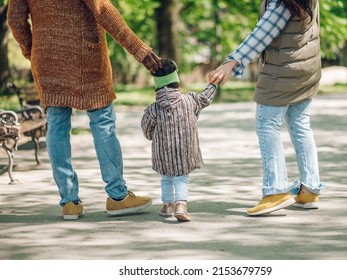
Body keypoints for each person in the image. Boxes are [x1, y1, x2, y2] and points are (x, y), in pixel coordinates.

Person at [7, 0, 162, 220]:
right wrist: (140, 51)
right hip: (85, 56)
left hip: (46, 58)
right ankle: (117, 196)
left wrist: (32, 49)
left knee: (57, 125)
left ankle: (69, 202)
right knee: (103, 123)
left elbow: (15, 20)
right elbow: (103, 10)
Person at [209, 0, 325, 216]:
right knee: (300, 125)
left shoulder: (282, 2)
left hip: (282, 72)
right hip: (306, 70)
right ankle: (310, 189)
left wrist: (232, 62)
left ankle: (275, 191)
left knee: (266, 124)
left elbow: (262, 34)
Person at [141, 58, 217, 222]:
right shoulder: (190, 101)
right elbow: (205, 98)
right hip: (185, 150)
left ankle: (168, 205)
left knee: (166, 177)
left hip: (163, 153)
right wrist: (213, 84)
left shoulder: (153, 109)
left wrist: (153, 136)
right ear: (177, 82)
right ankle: (181, 205)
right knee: (181, 176)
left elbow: (146, 130)